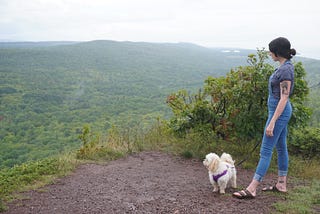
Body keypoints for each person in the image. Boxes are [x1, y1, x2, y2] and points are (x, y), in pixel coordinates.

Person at [233, 37, 296, 199]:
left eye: (271, 50)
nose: (269, 53)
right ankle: (281, 184)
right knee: (281, 147)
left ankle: (252, 188)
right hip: (277, 111)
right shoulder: (284, 67)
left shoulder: (285, 70)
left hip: (279, 113)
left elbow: (284, 98)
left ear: (277, 52)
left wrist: (272, 122)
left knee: (265, 150)